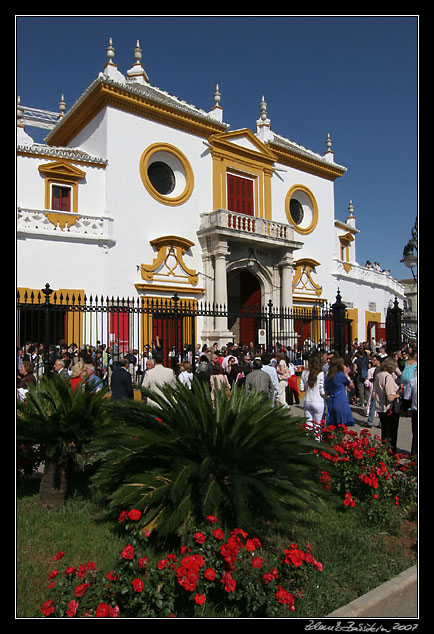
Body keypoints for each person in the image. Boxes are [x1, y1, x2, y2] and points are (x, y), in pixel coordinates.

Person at [374, 356, 402, 454]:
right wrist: (398, 395)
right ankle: (390, 454)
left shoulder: (379, 375)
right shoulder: (388, 377)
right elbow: (390, 396)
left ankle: (384, 453)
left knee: (385, 432)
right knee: (391, 434)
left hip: (380, 406)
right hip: (389, 408)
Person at [299, 353, 325, 439]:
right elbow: (322, 391)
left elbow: (301, 388)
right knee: (317, 425)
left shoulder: (304, 373)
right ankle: (317, 443)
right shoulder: (321, 374)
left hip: (307, 400)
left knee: (308, 423)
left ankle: (308, 442)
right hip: (318, 401)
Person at [324, 356, 355, 427]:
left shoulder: (329, 376)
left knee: (333, 425)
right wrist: (346, 373)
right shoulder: (340, 375)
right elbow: (351, 385)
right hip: (341, 401)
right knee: (342, 425)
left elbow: (327, 390)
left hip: (332, 400)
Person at [404, 372, 417, 456]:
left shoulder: (413, 380)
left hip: (416, 411)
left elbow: (407, 397)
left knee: (416, 436)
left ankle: (414, 458)